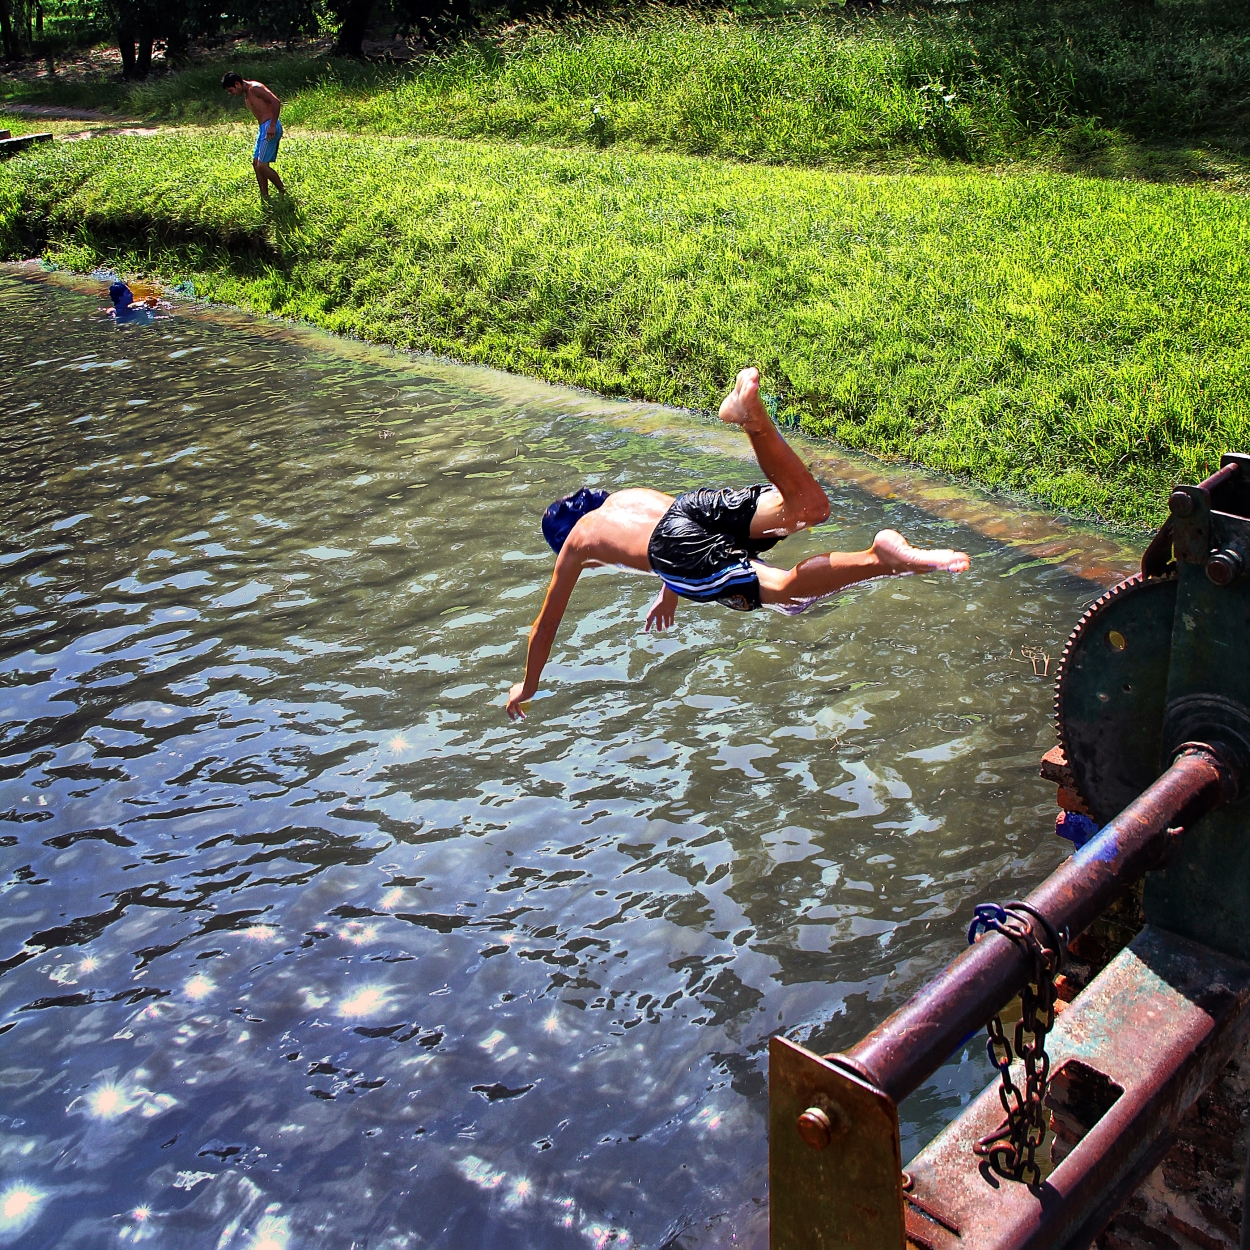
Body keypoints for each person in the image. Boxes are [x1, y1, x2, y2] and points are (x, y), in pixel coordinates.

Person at [506, 367, 971, 719]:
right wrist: (669, 593)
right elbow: (681, 527)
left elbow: (544, 626)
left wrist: (527, 686)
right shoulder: (629, 497)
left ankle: (880, 558)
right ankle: (752, 418)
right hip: (687, 509)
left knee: (788, 590)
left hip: (673, 546)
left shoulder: (579, 544)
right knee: (806, 510)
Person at [221, 71, 286, 201]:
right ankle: (264, 196)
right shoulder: (247, 95)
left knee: (262, 165)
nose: (231, 94)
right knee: (256, 163)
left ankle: (283, 192)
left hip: (269, 127)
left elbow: (276, 102)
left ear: (237, 84)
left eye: (231, 90)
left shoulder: (255, 88)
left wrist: (272, 125)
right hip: (263, 129)